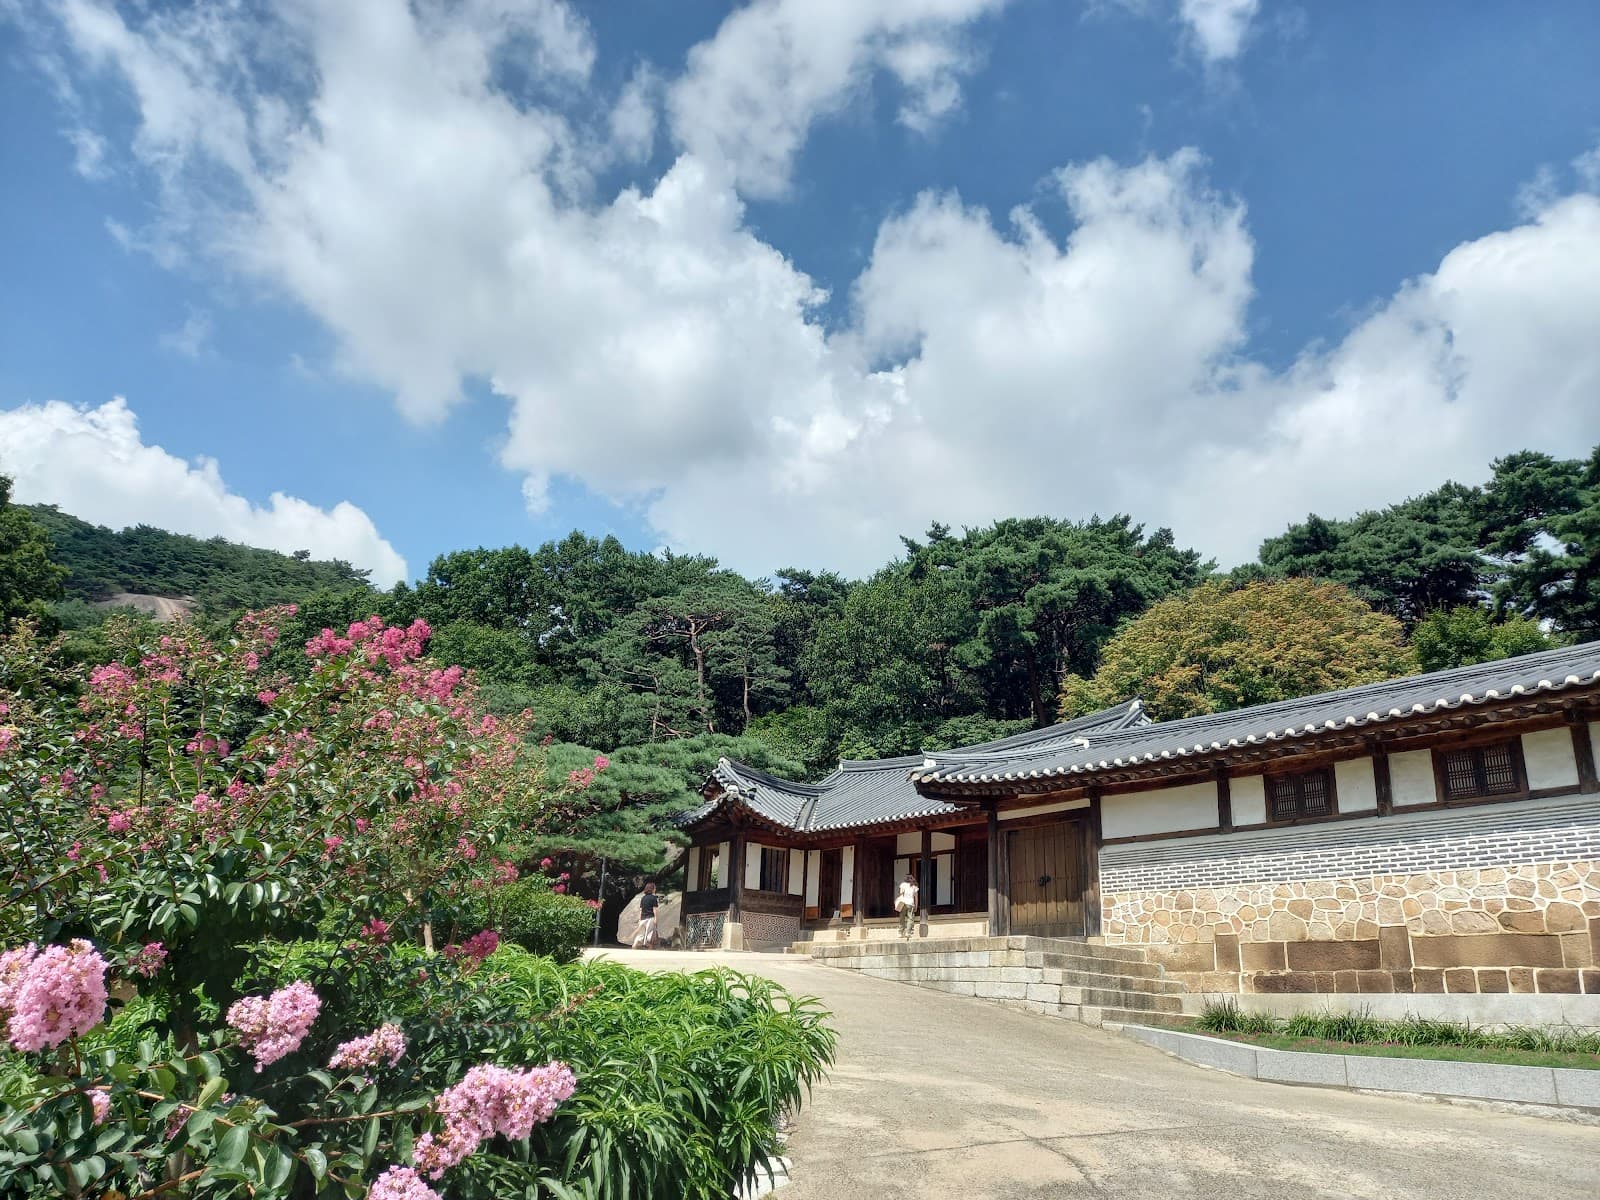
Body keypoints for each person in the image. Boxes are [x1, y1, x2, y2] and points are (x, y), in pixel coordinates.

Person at [632, 881, 661, 949]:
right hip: (650, 918)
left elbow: (641, 910)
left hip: (643, 918)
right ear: (652, 889)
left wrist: (640, 919)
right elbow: (654, 910)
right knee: (650, 934)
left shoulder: (643, 898)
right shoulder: (654, 898)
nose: (655, 889)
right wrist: (656, 919)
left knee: (641, 933)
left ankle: (636, 942)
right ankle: (648, 947)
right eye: (655, 888)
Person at [895, 872, 919, 939]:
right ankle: (908, 932)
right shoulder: (914, 886)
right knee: (910, 918)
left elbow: (900, 894)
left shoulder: (903, 885)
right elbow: (916, 898)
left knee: (902, 918)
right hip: (910, 903)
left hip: (903, 903)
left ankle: (900, 932)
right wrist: (916, 906)